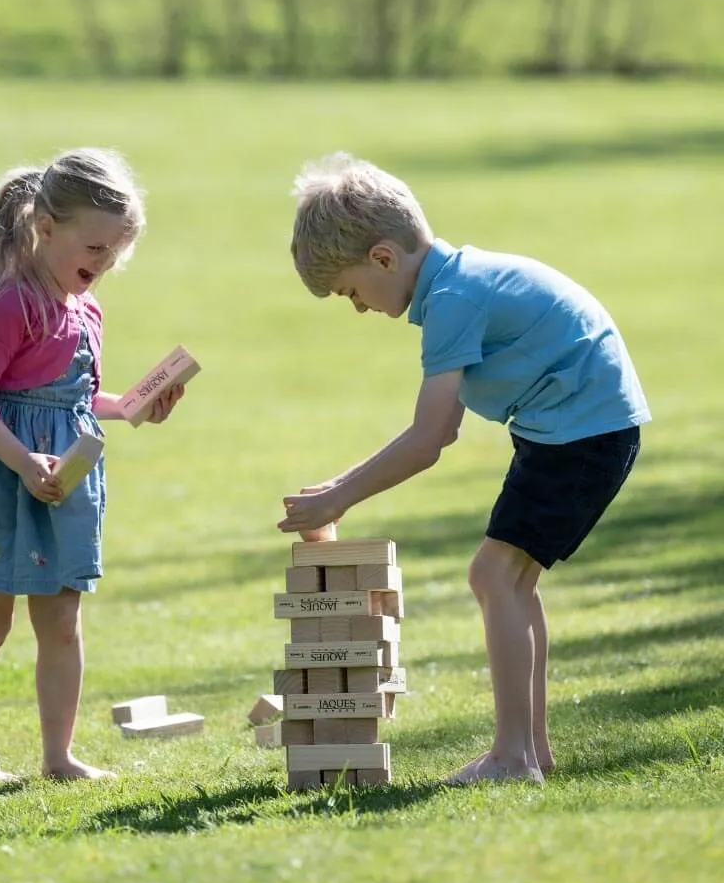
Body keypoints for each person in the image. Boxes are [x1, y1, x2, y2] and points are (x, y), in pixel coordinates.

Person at [277, 153, 650, 785]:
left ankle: (511, 758)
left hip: (581, 432)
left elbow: (432, 436)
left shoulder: (452, 299)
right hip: (577, 427)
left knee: (493, 576)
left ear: (384, 259)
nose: (359, 309)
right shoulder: (460, 281)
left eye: (351, 292)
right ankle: (531, 750)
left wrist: (341, 494)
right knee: (513, 580)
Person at [0, 148, 185, 783]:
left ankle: (59, 758)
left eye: (114, 253)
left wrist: (134, 407)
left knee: (63, 622)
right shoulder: (9, 305)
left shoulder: (87, 311)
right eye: (93, 247)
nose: (102, 263)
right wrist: (22, 459)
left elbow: (80, 397)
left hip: (63, 485)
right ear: (45, 226)